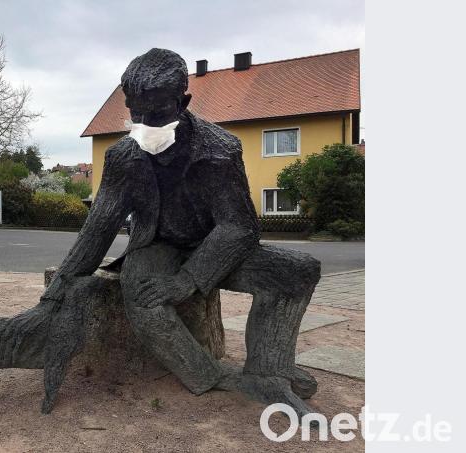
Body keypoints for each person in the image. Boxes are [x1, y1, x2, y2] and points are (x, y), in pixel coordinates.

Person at [43, 48, 321, 416]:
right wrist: (54, 294)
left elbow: (240, 226)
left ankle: (269, 373)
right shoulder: (122, 158)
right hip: (156, 246)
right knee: (141, 292)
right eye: (135, 113)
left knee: (297, 271)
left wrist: (188, 280)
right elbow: (97, 231)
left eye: (156, 114)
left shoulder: (220, 150)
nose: (143, 124)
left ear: (183, 101)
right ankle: (208, 374)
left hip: (215, 247)